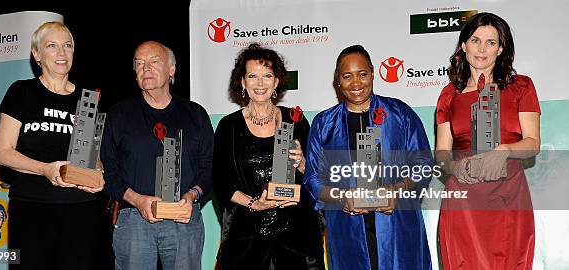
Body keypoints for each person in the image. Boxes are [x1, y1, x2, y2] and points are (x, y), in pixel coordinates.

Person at [304, 45, 433, 270]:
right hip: (347, 229)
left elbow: (423, 166)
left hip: (397, 227)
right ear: (338, 81)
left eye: (362, 74)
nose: (356, 83)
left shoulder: (400, 114)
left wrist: (397, 190)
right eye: (347, 76)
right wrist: (342, 197)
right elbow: (314, 179)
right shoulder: (324, 123)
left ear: (373, 74)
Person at [0, 21, 103, 270]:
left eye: (67, 46)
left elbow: (90, 157)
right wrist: (45, 169)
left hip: (80, 210)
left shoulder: (87, 98)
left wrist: (98, 173)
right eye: (52, 46)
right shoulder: (21, 91)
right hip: (32, 207)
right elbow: (3, 152)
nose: (62, 53)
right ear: (37, 54)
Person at [436, 12, 540, 269]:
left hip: (507, 193)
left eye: (491, 42)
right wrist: (454, 167)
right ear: (463, 45)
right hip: (463, 196)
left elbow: (532, 143)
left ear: (501, 48)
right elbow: (441, 153)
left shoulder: (521, 87)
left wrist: (504, 150)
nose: (482, 49)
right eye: (475, 40)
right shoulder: (449, 94)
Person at [101, 41, 213, 270]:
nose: (145, 68)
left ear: (172, 69)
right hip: (133, 218)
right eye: (139, 64)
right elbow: (108, 171)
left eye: (154, 61)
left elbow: (209, 167)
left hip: (183, 217)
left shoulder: (195, 114)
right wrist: (137, 200)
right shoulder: (118, 114)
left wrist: (192, 195)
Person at [212, 43, 325, 269]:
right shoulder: (229, 126)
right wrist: (254, 203)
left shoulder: (297, 121)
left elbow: (318, 174)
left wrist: (302, 162)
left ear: (276, 81)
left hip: (297, 236)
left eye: (267, 76)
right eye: (253, 76)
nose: (260, 83)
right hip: (247, 236)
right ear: (243, 82)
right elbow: (220, 181)